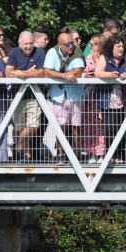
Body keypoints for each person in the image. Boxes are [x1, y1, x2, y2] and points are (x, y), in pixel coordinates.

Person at [43, 32, 85, 164]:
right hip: (58, 95)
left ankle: (76, 153)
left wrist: (57, 73)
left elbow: (78, 71)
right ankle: (60, 154)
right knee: (61, 126)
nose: (71, 46)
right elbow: (47, 71)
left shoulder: (77, 51)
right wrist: (64, 76)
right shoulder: (52, 52)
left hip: (75, 95)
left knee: (76, 126)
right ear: (60, 45)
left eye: (72, 43)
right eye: (67, 44)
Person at [6, 31, 46, 162]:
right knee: (20, 128)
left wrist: (22, 74)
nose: (29, 46)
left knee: (33, 126)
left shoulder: (39, 52)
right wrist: (29, 72)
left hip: (34, 95)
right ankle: (26, 155)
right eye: (26, 44)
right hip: (17, 95)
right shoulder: (14, 52)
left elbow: (42, 73)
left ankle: (18, 149)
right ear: (19, 44)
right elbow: (9, 72)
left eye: (30, 43)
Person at [95, 34, 126, 164]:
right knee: (110, 128)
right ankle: (111, 154)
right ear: (111, 47)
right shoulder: (104, 57)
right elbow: (97, 72)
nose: (121, 48)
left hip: (124, 99)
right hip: (107, 99)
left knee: (123, 127)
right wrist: (110, 75)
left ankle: (119, 155)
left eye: (122, 46)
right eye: (118, 46)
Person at [80, 35, 107, 163]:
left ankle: (102, 153)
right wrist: (86, 75)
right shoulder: (87, 58)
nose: (91, 47)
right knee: (90, 125)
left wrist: (97, 62)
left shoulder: (105, 57)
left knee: (102, 126)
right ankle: (92, 153)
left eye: (94, 44)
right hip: (90, 96)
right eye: (90, 44)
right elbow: (82, 72)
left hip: (102, 95)